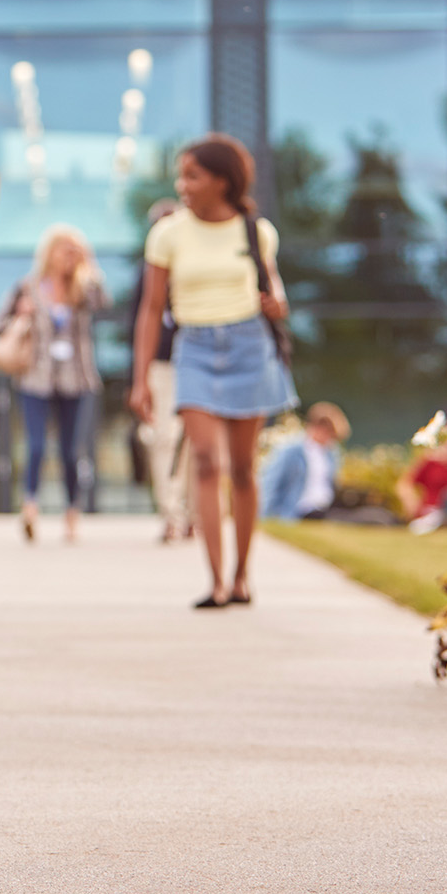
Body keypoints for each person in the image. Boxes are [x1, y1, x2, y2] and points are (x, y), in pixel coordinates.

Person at [128, 134, 298, 609]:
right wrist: (140, 378)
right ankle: (216, 581)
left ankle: (242, 575)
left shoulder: (255, 230)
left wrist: (277, 303)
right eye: (181, 175)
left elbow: (275, 289)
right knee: (207, 461)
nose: (182, 185)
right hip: (196, 348)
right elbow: (150, 309)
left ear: (222, 181)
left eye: (192, 176)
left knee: (243, 469)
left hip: (248, 345)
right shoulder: (167, 234)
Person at [0, 223, 107, 544]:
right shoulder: (27, 288)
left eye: (74, 251)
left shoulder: (84, 288)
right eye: (64, 249)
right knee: (36, 445)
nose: (68, 257)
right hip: (36, 379)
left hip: (77, 380)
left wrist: (89, 262)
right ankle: (30, 506)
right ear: (49, 252)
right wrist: (21, 315)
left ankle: (72, 512)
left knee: (72, 450)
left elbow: (103, 300)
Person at [127, 199, 193, 542]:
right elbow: (140, 322)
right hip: (161, 364)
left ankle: (195, 512)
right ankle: (171, 514)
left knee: (198, 442)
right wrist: (138, 380)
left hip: (197, 360)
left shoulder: (196, 262)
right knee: (164, 439)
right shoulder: (148, 270)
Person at [260, 402, 351, 521]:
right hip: (300, 511)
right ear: (318, 427)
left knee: (376, 517)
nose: (331, 440)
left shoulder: (331, 454)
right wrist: (266, 516)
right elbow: (271, 485)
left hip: (325, 509)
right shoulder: (291, 451)